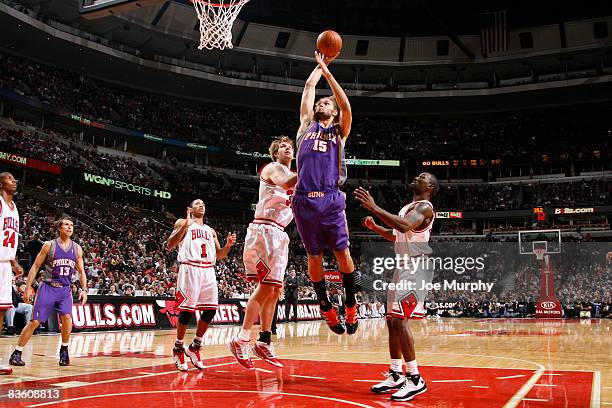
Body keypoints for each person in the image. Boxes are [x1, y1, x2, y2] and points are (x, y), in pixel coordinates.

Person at [354, 172, 438, 402]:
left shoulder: (425, 208)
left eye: (422, 176)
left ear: (430, 186)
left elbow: (403, 226)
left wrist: (374, 207)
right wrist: (376, 228)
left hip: (416, 268)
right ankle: (396, 373)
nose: (416, 177)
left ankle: (415, 378)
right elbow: (396, 234)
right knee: (392, 321)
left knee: (400, 321)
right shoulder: (407, 207)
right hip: (402, 267)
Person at [291, 51, 358, 335]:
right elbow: (308, 89)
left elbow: (344, 104)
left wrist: (329, 74)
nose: (322, 102)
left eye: (326, 102)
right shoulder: (305, 127)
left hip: (330, 198)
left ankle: (351, 303)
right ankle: (325, 304)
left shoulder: (339, 131)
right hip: (304, 199)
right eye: (321, 102)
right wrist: (320, 66)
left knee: (342, 254)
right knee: (314, 257)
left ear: (333, 112)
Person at [229, 136, 297, 369]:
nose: (288, 148)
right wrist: (314, 166)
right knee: (266, 286)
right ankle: (241, 338)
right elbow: (287, 182)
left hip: (279, 233)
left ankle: (264, 340)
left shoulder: (297, 179)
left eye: (291, 147)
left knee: (275, 289)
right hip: (264, 230)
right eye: (283, 147)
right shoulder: (273, 169)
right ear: (275, 153)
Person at [166, 199, 236, 372]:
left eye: (203, 204)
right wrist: (185, 227)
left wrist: (228, 246)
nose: (202, 205)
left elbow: (220, 255)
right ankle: (178, 347)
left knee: (211, 310)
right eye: (197, 204)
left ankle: (195, 346)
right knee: (187, 312)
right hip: (190, 268)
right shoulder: (182, 223)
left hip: (208, 270)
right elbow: (169, 244)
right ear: (190, 209)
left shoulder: (210, 230)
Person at [9, 217, 88, 367]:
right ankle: (17, 353)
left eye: (71, 225)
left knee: (67, 317)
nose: (70, 227)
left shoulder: (77, 248)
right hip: (48, 287)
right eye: (66, 225)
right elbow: (35, 267)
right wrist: (27, 287)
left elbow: (82, 271)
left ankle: (64, 350)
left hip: (65, 289)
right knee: (35, 322)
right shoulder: (49, 245)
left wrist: (84, 289)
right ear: (59, 228)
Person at [0, 172, 24, 375]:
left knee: (1, 310)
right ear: (0, 184)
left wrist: (14, 262)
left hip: (5, 264)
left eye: (15, 179)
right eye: (9, 179)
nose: (14, 181)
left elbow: (11, 240)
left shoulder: (14, 208)